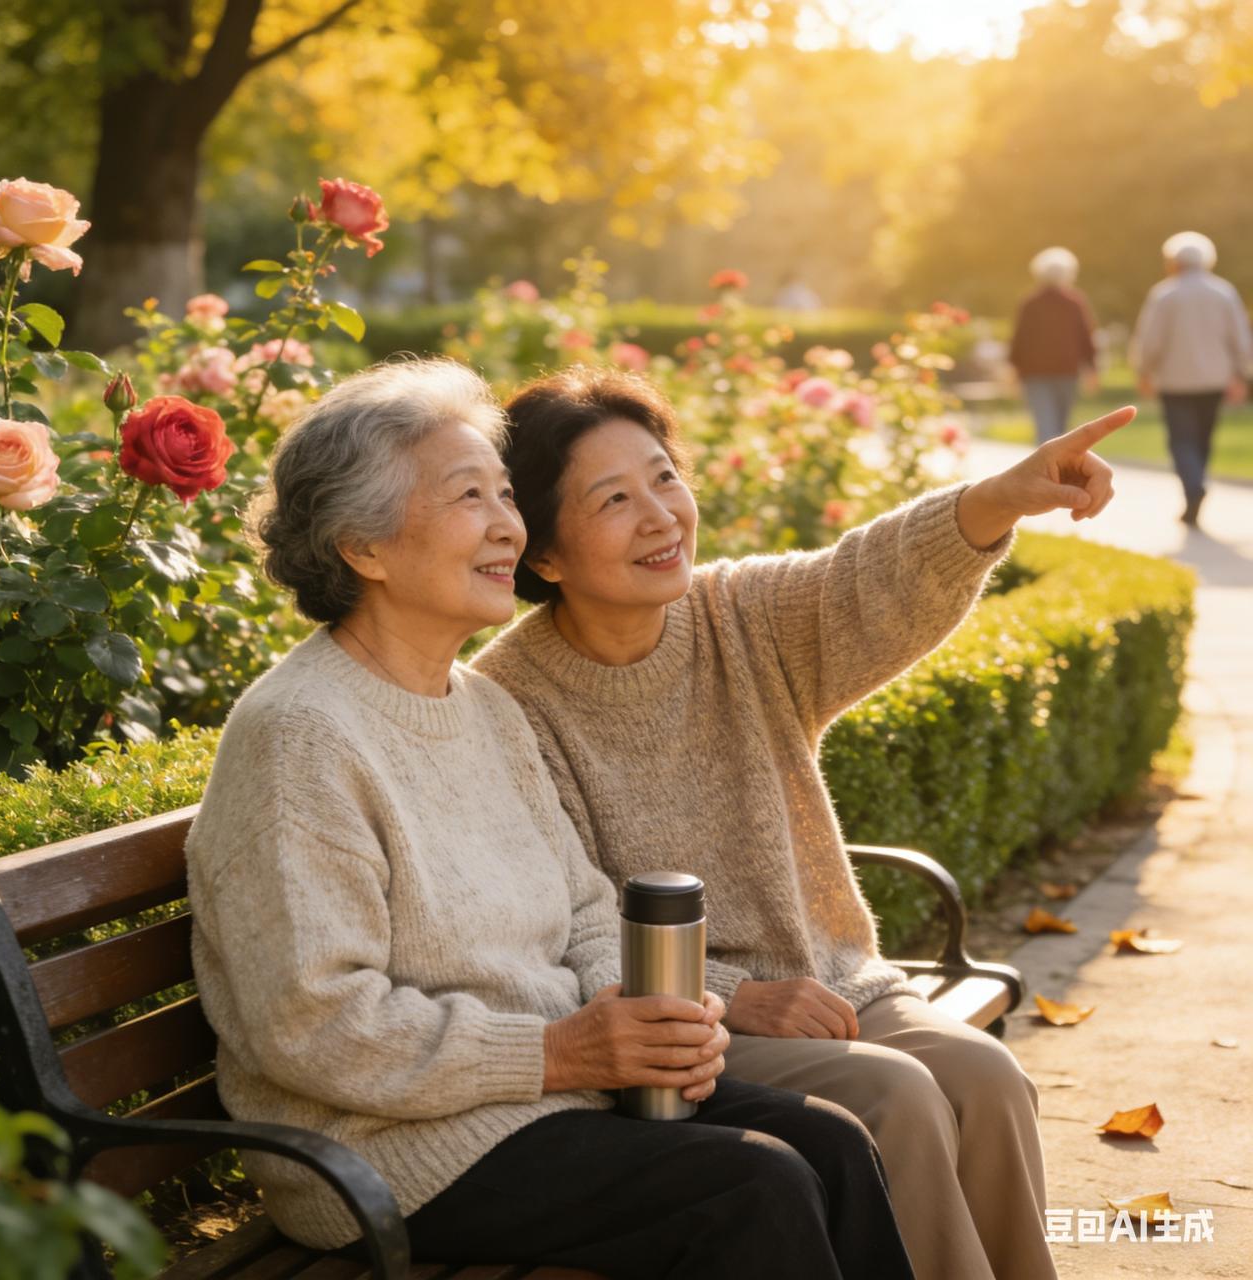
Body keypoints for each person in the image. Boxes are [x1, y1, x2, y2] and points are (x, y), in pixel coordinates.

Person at [184, 359, 914, 1280]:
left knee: (835, 1146)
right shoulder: (300, 736)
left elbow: (580, 911)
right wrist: (558, 1052)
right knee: (751, 1186)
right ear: (362, 548)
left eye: (503, 493)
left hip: (548, 1104)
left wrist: (659, 1018)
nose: (506, 526)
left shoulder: (482, 708)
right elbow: (313, 1026)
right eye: (466, 499)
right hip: (388, 1154)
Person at [473, 366, 1134, 1280]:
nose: (661, 515)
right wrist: (733, 995)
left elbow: (869, 580)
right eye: (613, 499)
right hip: (688, 1024)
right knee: (897, 1097)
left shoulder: (738, 614)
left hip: (838, 985)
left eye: (665, 476)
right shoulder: (511, 701)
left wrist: (1003, 497)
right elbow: (560, 922)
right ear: (543, 555)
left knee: (986, 1078)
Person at [1131, 230, 1253, 526]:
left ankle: (1193, 488)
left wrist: (1144, 370)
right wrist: (1242, 375)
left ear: (1173, 261)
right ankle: (1196, 486)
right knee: (1202, 440)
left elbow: (1150, 341)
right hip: (1214, 381)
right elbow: (1239, 338)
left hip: (1176, 382)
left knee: (1181, 441)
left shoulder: (1165, 294)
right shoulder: (1223, 292)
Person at [1008, 245, 1099, 444]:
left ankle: (1049, 467)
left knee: (1045, 423)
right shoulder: (1075, 302)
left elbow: (1019, 340)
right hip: (1066, 370)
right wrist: (1092, 368)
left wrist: (1014, 369)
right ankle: (1053, 468)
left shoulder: (1030, 303)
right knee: (1060, 426)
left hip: (1036, 372)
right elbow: (1086, 338)